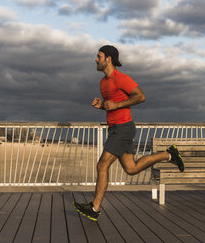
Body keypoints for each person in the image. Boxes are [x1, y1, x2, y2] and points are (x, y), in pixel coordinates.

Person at [73, 45, 184, 221]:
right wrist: (102, 106)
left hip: (123, 128)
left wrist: (116, 105)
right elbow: (112, 104)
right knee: (131, 169)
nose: (96, 59)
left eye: (99, 56)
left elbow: (140, 96)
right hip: (116, 128)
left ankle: (94, 208)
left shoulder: (121, 78)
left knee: (102, 165)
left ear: (108, 59)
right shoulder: (103, 82)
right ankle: (169, 154)